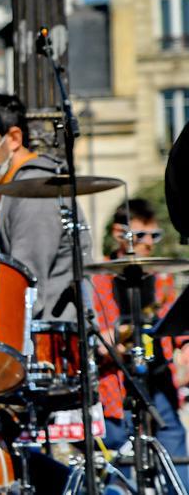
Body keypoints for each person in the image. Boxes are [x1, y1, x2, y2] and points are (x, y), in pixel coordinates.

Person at [0, 93, 89, 493]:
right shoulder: (5, 193)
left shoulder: (33, 192)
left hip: (43, 347)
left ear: (13, 137)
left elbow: (29, 282)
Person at [0, 91, 90, 321]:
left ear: (14, 138)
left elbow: (25, 285)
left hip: (48, 341)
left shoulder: (34, 192)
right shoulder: (0, 195)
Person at [91, 198, 188, 488]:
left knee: (174, 442)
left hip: (157, 377)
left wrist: (184, 348)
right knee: (117, 450)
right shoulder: (99, 278)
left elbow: (177, 326)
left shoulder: (161, 279)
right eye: (140, 235)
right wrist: (113, 343)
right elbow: (99, 335)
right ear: (119, 234)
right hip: (116, 379)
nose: (148, 243)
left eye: (154, 236)